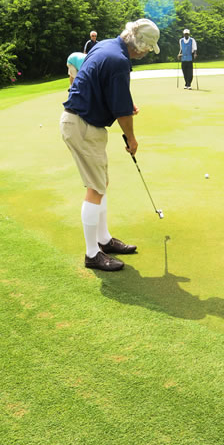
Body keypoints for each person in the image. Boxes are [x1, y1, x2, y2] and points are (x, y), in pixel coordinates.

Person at [60, 18, 160, 272]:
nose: (146, 53)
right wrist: (132, 139)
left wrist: (125, 105)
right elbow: (122, 113)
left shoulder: (106, 45)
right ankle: (92, 254)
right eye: (147, 48)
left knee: (101, 183)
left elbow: (102, 85)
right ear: (139, 45)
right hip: (82, 125)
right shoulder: (119, 61)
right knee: (95, 188)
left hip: (83, 122)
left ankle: (103, 240)